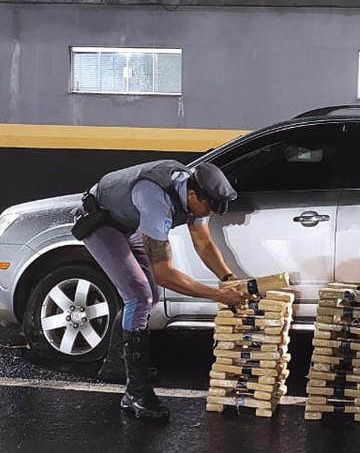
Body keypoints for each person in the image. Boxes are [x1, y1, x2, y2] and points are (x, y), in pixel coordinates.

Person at [72, 159, 250, 422]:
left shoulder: (194, 192)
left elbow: (203, 242)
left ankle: (116, 365)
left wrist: (228, 278)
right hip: (100, 222)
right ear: (193, 196)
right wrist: (219, 296)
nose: (210, 214)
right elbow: (164, 273)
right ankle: (136, 394)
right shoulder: (156, 197)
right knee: (139, 296)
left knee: (150, 296)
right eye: (210, 209)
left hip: (128, 222)